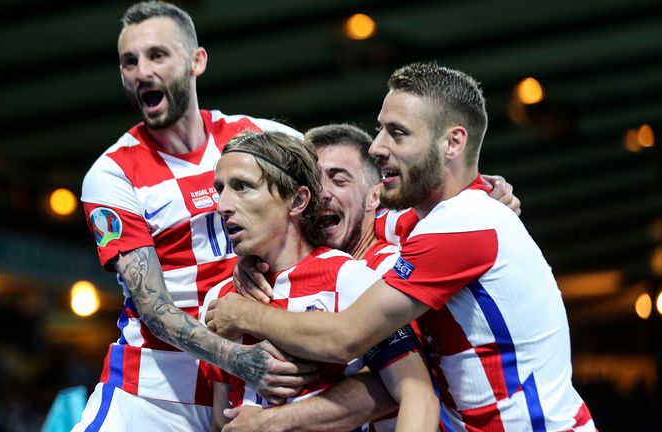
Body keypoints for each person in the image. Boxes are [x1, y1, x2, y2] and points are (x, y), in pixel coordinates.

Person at [206, 62, 597, 431]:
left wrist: (243, 313)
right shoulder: (427, 220)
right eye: (380, 130)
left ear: (453, 143)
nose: (377, 147)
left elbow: (344, 338)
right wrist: (257, 255)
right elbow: (366, 219)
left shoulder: (463, 223)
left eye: (397, 132)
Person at [74, 2, 315, 430]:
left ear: (196, 61)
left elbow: (341, 196)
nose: (142, 71)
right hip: (153, 396)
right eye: (129, 62)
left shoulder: (261, 138)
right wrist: (238, 359)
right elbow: (153, 307)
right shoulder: (112, 173)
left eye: (157, 55)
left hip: (254, 393)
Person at [219, 124, 520, 432]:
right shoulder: (256, 277)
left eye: (338, 179)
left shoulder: (392, 267)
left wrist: (247, 315)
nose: (322, 194)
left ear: (375, 197)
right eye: (314, 180)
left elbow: (404, 385)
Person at [202, 130, 439, 431]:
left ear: (298, 200)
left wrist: (273, 422)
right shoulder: (220, 299)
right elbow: (221, 419)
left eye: (243, 187)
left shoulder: (355, 277)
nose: (222, 205)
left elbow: (414, 392)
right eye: (220, 189)